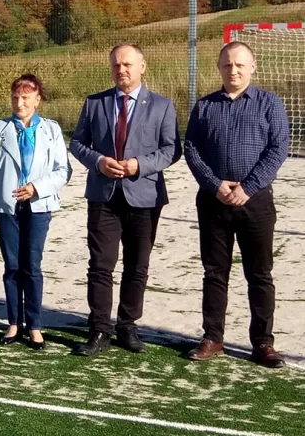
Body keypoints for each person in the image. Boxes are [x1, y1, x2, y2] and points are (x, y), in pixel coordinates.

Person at [69, 43, 181, 357]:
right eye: (116, 65)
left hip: (144, 196)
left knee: (137, 266)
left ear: (142, 66)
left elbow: (172, 150)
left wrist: (139, 165)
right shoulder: (95, 103)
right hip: (103, 196)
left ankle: (127, 327)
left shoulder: (162, 106)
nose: (121, 70)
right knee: (100, 266)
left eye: (128, 64)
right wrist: (98, 161)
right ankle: (99, 330)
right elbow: (77, 143)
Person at [183, 41, 289, 368]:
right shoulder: (204, 106)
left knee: (260, 275)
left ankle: (263, 343)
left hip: (255, 203)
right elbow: (191, 149)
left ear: (252, 67)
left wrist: (249, 186)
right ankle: (213, 337)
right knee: (215, 273)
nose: (234, 70)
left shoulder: (269, 103)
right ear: (219, 67)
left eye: (240, 64)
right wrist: (214, 184)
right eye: (227, 64)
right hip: (213, 202)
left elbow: (278, 148)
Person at [0, 75, 70, 350]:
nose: (19, 103)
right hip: (6, 208)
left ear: (37, 99)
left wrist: (36, 188)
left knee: (32, 266)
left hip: (39, 207)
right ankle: (13, 323)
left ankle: (35, 326)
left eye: (26, 97)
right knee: (12, 267)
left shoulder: (51, 130)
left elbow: (63, 171)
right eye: (15, 97)